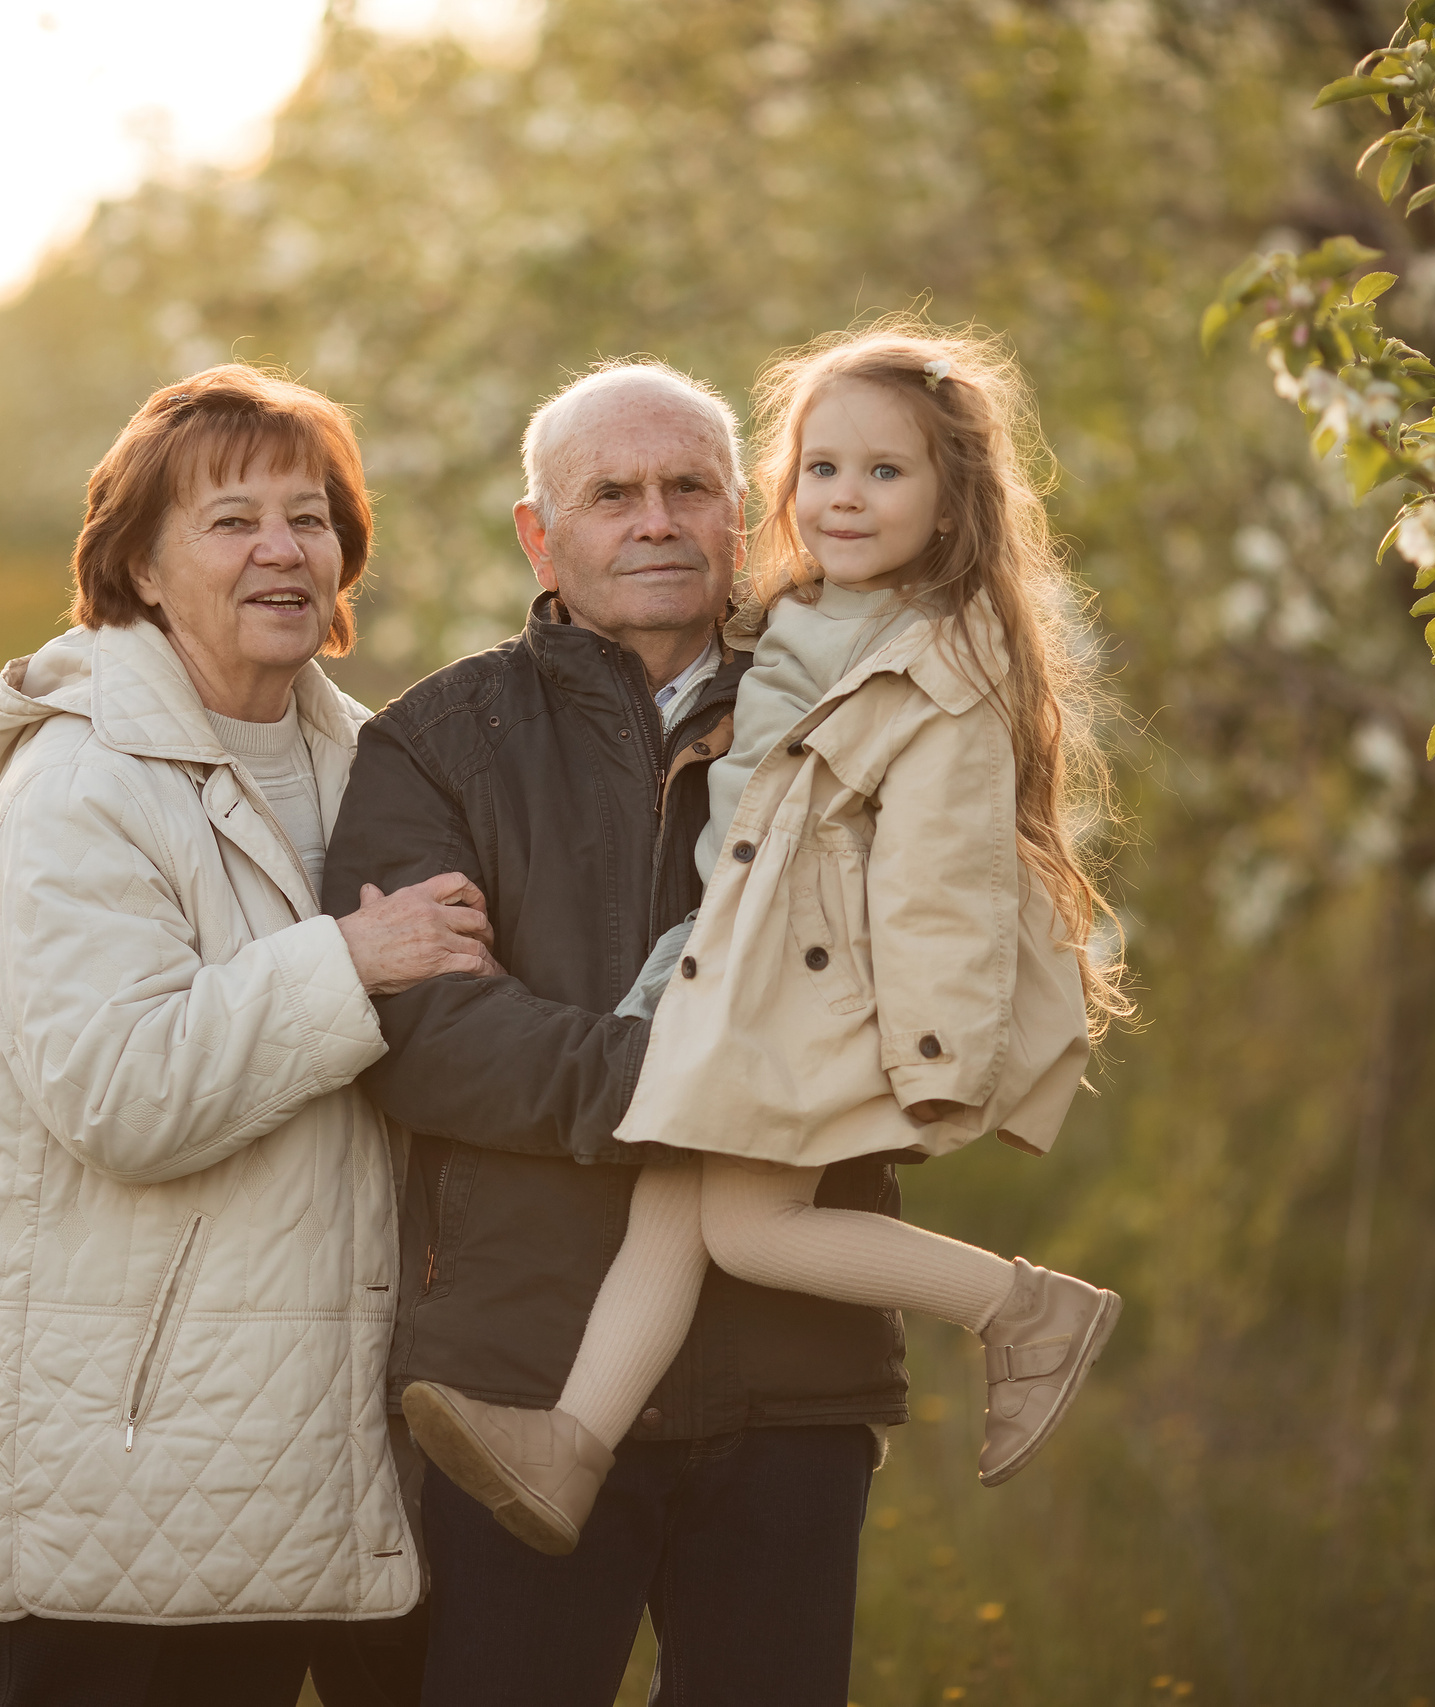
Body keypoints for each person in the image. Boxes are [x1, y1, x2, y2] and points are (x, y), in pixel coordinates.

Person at [400, 325, 1129, 1561]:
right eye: (823, 469)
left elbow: (942, 887)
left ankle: (1026, 1306)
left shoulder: (940, 670)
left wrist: (938, 1060)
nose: (846, 497)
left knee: (741, 1225)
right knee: (672, 1212)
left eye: (887, 473)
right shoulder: (803, 621)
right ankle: (571, 1447)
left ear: (954, 504)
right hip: (744, 964)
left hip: (820, 989)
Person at [321, 360, 907, 1706]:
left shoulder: (853, 722)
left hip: (791, 1374)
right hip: (515, 1379)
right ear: (542, 533)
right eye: (612, 493)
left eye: (689, 486)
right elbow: (427, 1039)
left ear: (743, 516)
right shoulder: (436, 742)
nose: (656, 519)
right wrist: (692, 1079)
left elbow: (918, 1003)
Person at [0, 365, 493, 1706]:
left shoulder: (383, 768)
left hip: (365, 1448)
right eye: (233, 519)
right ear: (136, 561)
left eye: (310, 518)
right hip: (145, 1463)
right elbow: (122, 1092)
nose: (284, 549)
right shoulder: (80, 787)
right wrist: (351, 962)